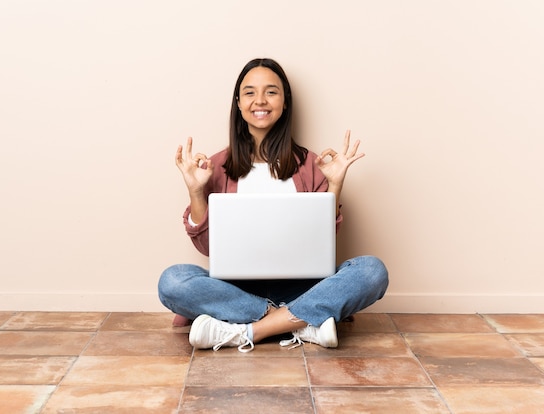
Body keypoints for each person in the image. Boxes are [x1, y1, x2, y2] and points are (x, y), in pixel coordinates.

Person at [158, 58, 388, 353]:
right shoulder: (215, 166)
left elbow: (321, 241)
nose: (260, 101)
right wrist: (195, 191)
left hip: (303, 286)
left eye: (271, 91)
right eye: (250, 92)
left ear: (285, 102)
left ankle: (245, 332)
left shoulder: (311, 165)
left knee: (372, 271)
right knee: (172, 281)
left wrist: (334, 184)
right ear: (238, 103)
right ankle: (302, 322)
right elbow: (206, 248)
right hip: (236, 289)